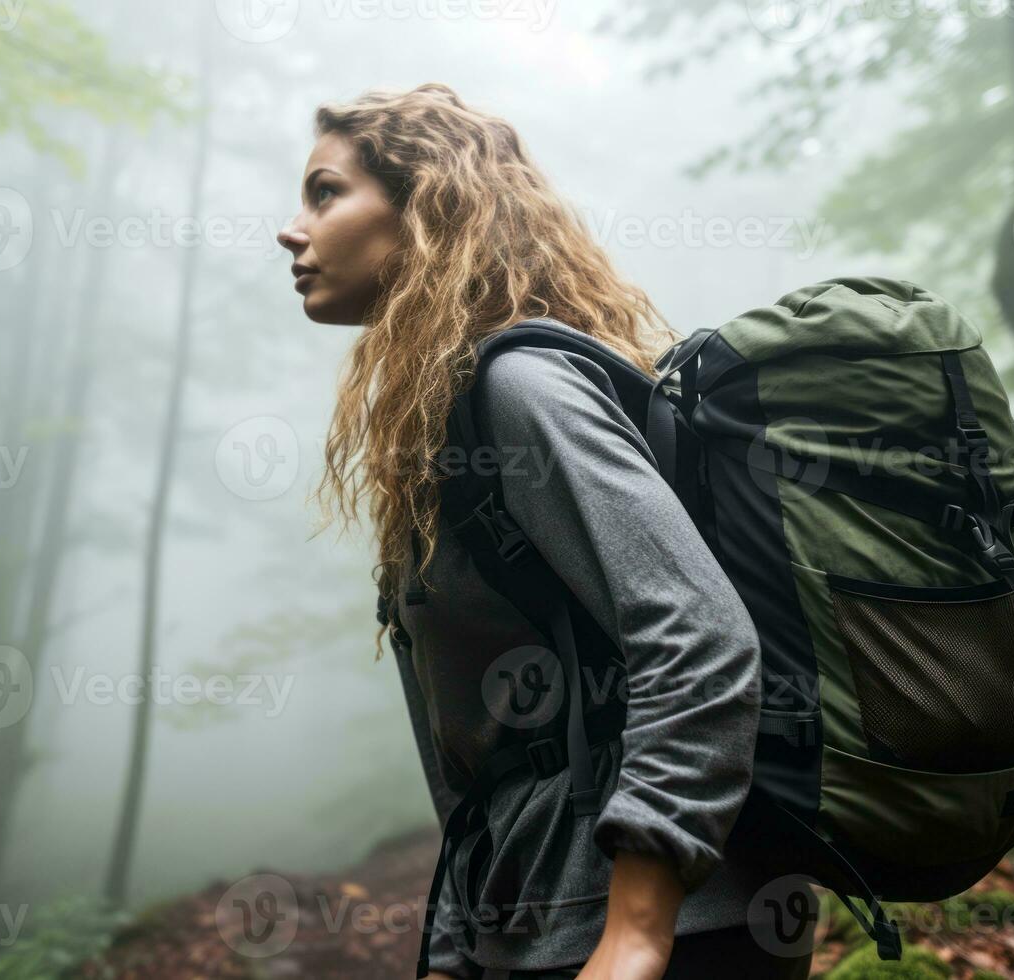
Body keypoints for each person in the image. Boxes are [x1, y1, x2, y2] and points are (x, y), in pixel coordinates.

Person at [279, 82, 816, 980]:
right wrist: (455, 948)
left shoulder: (520, 388)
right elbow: (476, 756)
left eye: (325, 191)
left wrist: (637, 931)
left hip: (668, 930)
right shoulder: (443, 422)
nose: (292, 228)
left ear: (426, 205)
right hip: (541, 928)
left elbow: (700, 637)